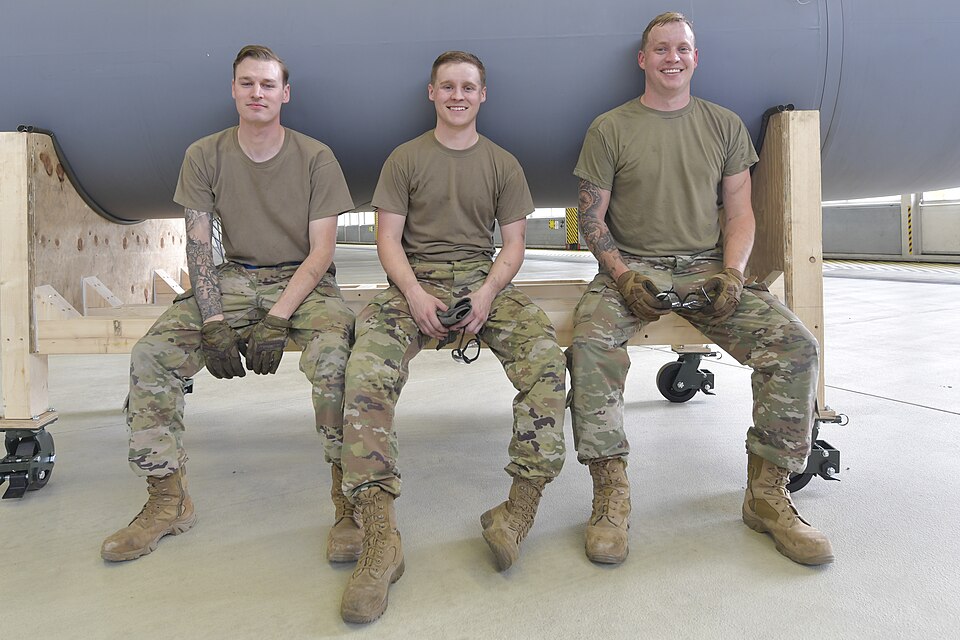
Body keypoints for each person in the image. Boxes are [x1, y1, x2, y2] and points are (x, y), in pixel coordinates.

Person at [567, 12, 833, 567]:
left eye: (682, 49)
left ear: (695, 57)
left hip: (706, 267)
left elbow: (741, 213)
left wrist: (733, 272)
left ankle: (767, 495)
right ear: (643, 60)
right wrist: (622, 275)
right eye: (661, 49)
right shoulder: (610, 127)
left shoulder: (723, 125)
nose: (672, 58)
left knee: (795, 346)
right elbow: (590, 219)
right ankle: (610, 496)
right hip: (633, 268)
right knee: (590, 344)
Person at [100, 45, 360, 564]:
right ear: (234, 90)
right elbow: (199, 248)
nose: (257, 93)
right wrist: (214, 320)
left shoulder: (315, 157)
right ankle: (168, 500)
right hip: (234, 276)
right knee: (151, 356)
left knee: (336, 361)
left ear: (285, 93)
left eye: (268, 84)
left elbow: (322, 251)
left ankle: (349, 505)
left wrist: (278, 317)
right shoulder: (205, 154)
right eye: (247, 83)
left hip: (303, 282)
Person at [337, 51, 567, 624]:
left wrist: (487, 294)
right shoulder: (406, 159)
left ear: (482, 95)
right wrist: (414, 295)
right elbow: (387, 239)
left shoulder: (502, 165)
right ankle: (379, 539)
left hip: (479, 282)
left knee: (547, 365)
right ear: (432, 93)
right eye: (447, 87)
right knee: (365, 372)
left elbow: (512, 246)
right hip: (415, 282)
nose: (458, 95)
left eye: (468, 87)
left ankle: (516, 512)